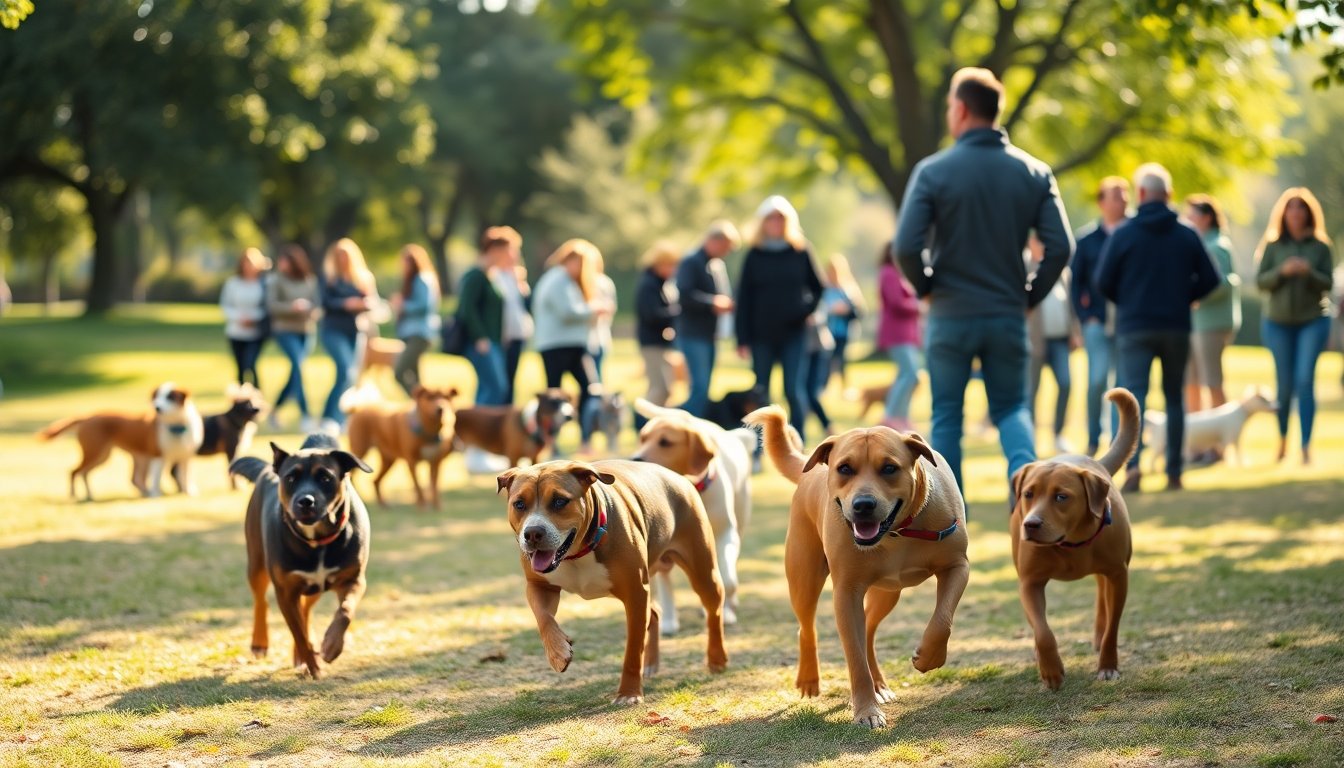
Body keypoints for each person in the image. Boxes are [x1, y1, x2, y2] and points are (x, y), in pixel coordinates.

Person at [893, 67, 1073, 496]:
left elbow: (905, 247)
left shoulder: (932, 171)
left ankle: (954, 521)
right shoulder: (1034, 172)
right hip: (1007, 313)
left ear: (960, 109)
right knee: (1012, 409)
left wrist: (927, 289)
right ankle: (1031, 504)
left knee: (946, 416)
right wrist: (1030, 296)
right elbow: (1061, 247)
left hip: (950, 314)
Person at [1095, 163, 1220, 492]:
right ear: (1169, 194)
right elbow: (1211, 279)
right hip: (1175, 325)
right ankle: (1174, 471)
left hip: (1135, 326)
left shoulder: (1124, 233)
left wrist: (1127, 301)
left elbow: (1102, 280)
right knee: (1174, 397)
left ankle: (1133, 467)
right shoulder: (1186, 234)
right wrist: (1186, 298)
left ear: (1140, 193)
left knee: (1134, 396)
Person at [1255, 187, 1336, 466]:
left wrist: (1308, 272)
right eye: (1291, 208)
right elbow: (1261, 282)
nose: (1296, 213)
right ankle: (1281, 440)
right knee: (1284, 384)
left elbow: (1328, 283)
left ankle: (1306, 445)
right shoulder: (1273, 245)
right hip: (1277, 323)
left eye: (1301, 208)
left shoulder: (1321, 247)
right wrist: (1282, 271)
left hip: (1312, 320)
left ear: (1309, 213)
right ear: (1283, 213)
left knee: (1304, 380)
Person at [736, 196, 824, 437]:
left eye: (780, 218)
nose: (775, 222)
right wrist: (742, 338)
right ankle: (759, 444)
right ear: (763, 222)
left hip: (794, 333)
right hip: (760, 334)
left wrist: (805, 311)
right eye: (771, 218)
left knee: (793, 390)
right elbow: (743, 298)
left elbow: (818, 287)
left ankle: (798, 441)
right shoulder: (755, 254)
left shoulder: (801, 251)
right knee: (761, 390)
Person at [533, 239, 612, 450]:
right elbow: (568, 312)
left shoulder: (566, 281)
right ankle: (550, 441)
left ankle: (585, 439)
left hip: (575, 344)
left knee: (590, 390)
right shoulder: (557, 279)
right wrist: (595, 308)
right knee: (553, 396)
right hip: (556, 345)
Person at [1070, 177, 1130, 457]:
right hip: (1096, 321)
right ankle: (1094, 437)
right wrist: (1085, 317)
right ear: (1102, 202)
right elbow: (1076, 283)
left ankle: (1119, 443)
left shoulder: (1135, 233)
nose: (1123, 200)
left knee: (1124, 384)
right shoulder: (1087, 240)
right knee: (1096, 380)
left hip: (1128, 322)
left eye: (1125, 194)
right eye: (1116, 195)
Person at [1183, 195, 1241, 456]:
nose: (1187, 220)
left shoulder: (1216, 246)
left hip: (1212, 324)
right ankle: (1196, 444)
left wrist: (1193, 294)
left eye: (1192, 215)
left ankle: (1218, 445)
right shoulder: (1202, 243)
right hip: (1197, 324)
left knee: (1212, 381)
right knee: (1192, 382)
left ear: (1206, 218)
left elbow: (1223, 282)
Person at [674, 220, 739, 417]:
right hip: (693, 334)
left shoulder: (715, 265)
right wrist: (713, 303)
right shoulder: (691, 262)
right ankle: (677, 422)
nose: (726, 253)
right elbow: (685, 296)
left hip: (709, 334)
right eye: (726, 247)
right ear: (715, 241)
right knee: (700, 388)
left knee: (704, 388)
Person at [319, 238, 379, 435]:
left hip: (355, 329)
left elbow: (373, 302)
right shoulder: (329, 278)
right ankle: (332, 418)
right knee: (345, 370)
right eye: (339, 256)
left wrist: (364, 303)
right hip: (333, 329)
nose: (342, 260)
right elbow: (325, 303)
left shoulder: (362, 278)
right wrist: (345, 304)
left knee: (350, 375)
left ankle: (337, 417)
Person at [1027, 235, 1079, 455]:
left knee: (1065, 383)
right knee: (1031, 391)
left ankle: (1058, 434)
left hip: (1059, 340)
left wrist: (1075, 331)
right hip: (1034, 341)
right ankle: (1029, 436)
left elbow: (1070, 305)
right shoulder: (1025, 268)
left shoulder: (1062, 272)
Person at [266, 244, 320, 432]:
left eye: (285, 260)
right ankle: (306, 414)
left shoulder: (309, 280)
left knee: (295, 372)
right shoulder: (276, 280)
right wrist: (292, 307)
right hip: (284, 329)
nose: (281, 264)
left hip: (306, 330)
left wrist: (310, 310)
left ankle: (274, 410)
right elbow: (272, 305)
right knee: (298, 367)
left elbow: (317, 305)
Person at [484, 226, 533, 405]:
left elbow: (525, 306)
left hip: (517, 334)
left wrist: (521, 285)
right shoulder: (492, 275)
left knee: (510, 382)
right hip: (501, 337)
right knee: (499, 383)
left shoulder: (515, 276)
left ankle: (507, 415)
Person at [457, 241, 509, 407]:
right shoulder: (476, 276)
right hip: (482, 342)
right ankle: (481, 421)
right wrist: (479, 336)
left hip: (493, 340)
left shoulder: (491, 276)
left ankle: (478, 420)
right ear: (494, 250)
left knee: (488, 386)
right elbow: (467, 308)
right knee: (495, 387)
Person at [636, 241, 682, 417]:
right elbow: (652, 315)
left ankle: (653, 421)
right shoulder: (649, 285)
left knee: (665, 389)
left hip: (661, 343)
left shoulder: (663, 284)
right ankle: (642, 421)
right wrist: (677, 312)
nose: (673, 269)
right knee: (660, 388)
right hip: (651, 342)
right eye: (670, 265)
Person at [878, 245, 921, 431]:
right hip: (896, 333)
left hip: (907, 333)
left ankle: (901, 417)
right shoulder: (888, 273)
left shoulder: (899, 273)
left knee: (907, 375)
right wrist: (918, 306)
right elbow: (897, 303)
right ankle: (890, 416)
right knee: (910, 374)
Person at [392, 244, 441, 397]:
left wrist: (403, 306)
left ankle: (422, 402)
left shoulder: (422, 279)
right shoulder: (412, 280)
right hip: (410, 332)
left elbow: (425, 305)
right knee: (415, 376)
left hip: (420, 332)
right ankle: (422, 405)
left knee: (400, 371)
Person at [583, 249, 619, 452]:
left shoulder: (604, 283)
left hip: (600, 338)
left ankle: (604, 434)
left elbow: (610, 309)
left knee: (598, 391)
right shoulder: (579, 282)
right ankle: (587, 435)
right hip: (583, 341)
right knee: (591, 391)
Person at [220, 247, 270, 388]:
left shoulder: (264, 284)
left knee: (251, 364)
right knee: (240, 367)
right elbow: (226, 305)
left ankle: (257, 395)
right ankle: (241, 397)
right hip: (236, 331)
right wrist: (239, 317)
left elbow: (267, 306)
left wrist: (253, 318)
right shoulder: (233, 283)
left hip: (255, 332)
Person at [822, 254, 864, 392]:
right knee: (827, 360)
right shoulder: (824, 288)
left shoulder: (849, 289)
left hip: (843, 331)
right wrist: (830, 310)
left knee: (840, 359)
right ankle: (823, 387)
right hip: (827, 331)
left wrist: (847, 309)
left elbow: (860, 310)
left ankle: (844, 387)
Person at [802, 302, 835, 437]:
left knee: (810, 393)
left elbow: (821, 316)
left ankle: (827, 425)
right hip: (801, 350)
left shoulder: (816, 296)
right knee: (800, 392)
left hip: (816, 349)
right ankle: (827, 426)